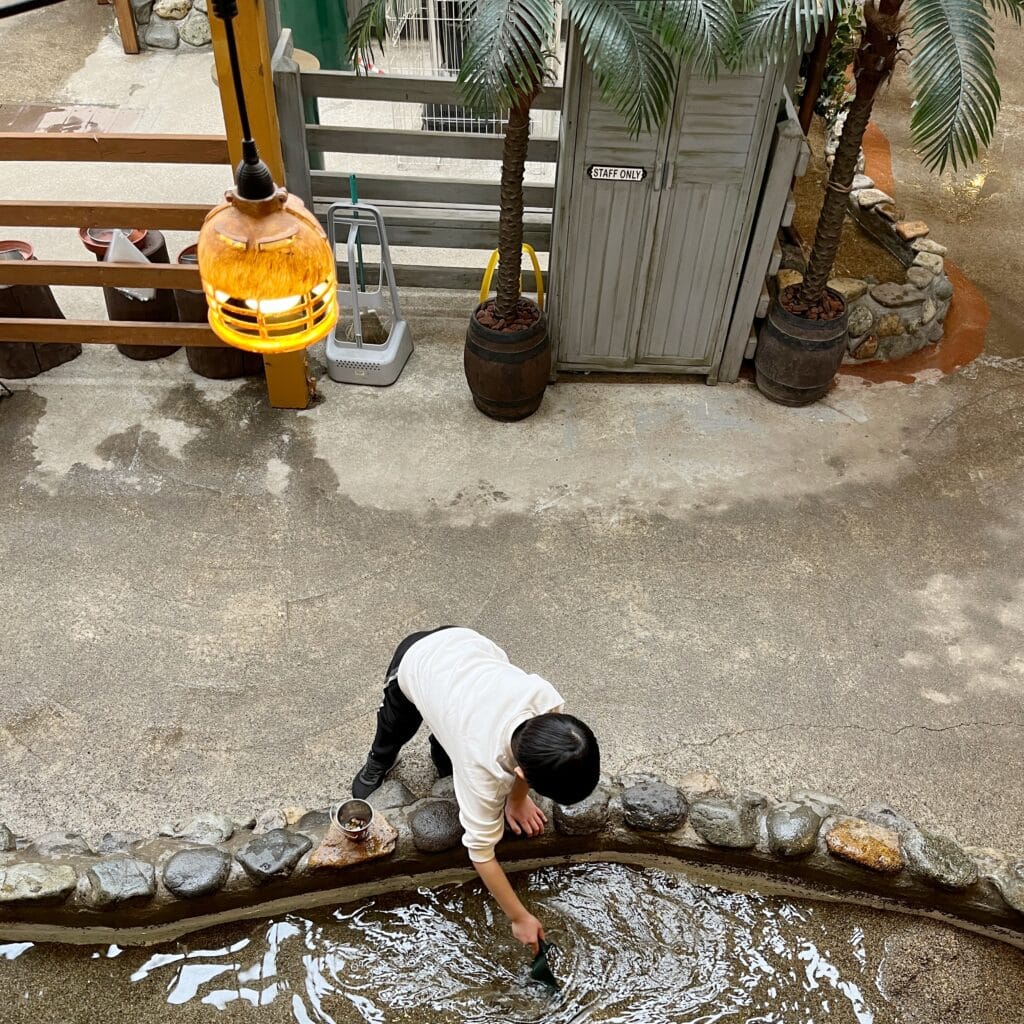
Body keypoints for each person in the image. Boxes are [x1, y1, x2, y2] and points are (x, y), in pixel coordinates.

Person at [352, 626, 600, 952]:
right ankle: (378, 759)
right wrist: (519, 917)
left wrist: (518, 800)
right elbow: (481, 854)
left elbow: (522, 762)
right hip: (417, 661)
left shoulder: (546, 703)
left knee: (449, 732)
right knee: (395, 727)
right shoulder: (481, 770)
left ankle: (442, 744)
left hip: (466, 653)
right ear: (520, 772)